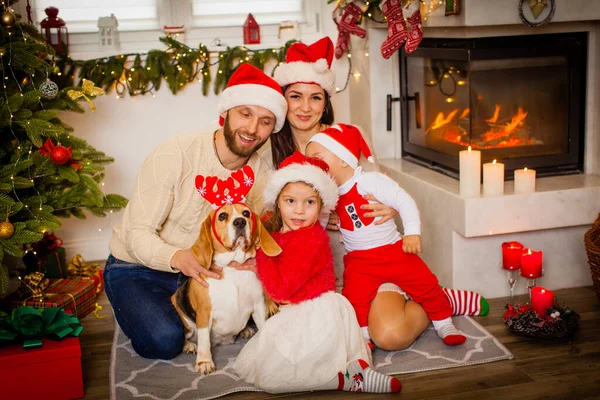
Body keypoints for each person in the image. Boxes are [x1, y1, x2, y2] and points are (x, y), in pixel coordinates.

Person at [104, 64, 288, 360]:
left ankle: (186, 312)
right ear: (226, 112)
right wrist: (178, 258)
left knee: (280, 318)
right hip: (139, 268)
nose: (253, 129)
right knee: (164, 340)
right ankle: (135, 305)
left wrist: (260, 261)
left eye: (265, 121)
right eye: (245, 114)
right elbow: (136, 233)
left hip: (209, 271)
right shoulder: (175, 153)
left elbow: (269, 229)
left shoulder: (262, 176)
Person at [306, 124, 489, 347]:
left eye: (317, 158)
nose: (312, 166)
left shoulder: (369, 181)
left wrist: (412, 233)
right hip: (359, 260)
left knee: (425, 284)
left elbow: (403, 200)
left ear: (343, 160)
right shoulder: (328, 194)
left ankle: (444, 323)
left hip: (392, 250)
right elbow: (319, 224)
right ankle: (363, 336)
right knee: (354, 296)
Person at [233, 152, 401, 394]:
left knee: (271, 381)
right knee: (273, 368)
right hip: (298, 311)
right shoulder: (283, 233)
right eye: (290, 201)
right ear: (277, 202)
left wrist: (261, 254)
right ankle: (354, 371)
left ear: (321, 206)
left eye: (309, 202)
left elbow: (279, 290)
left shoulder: (311, 238)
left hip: (315, 313)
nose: (299, 211)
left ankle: (345, 379)